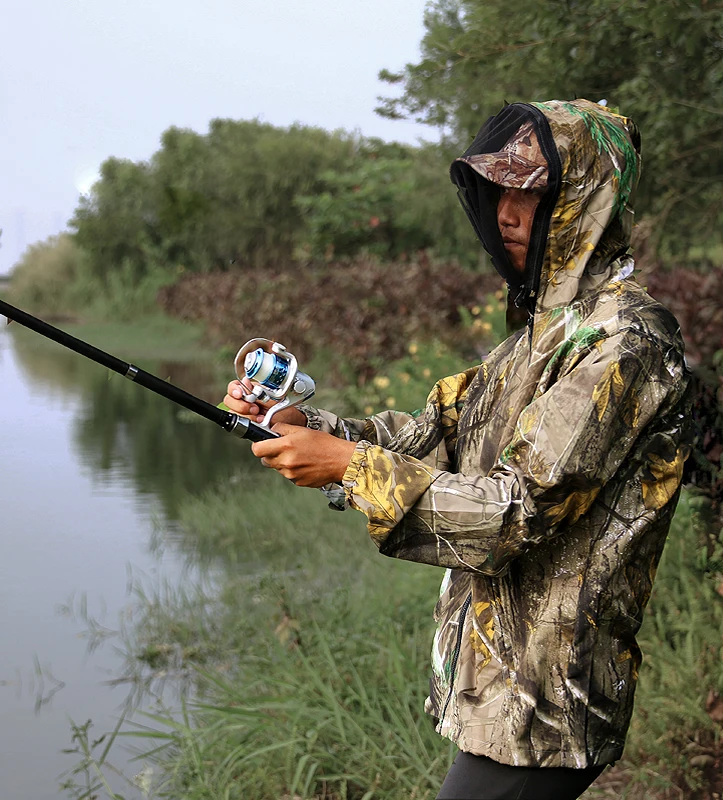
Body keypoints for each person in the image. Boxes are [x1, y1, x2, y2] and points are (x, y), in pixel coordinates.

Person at [223, 100, 692, 800]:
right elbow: (434, 437)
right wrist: (304, 425)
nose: (505, 211)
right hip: (503, 693)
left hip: (549, 705)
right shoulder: (538, 336)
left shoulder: (623, 343)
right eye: (496, 189)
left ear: (582, 201)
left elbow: (514, 513)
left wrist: (347, 467)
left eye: (528, 192)